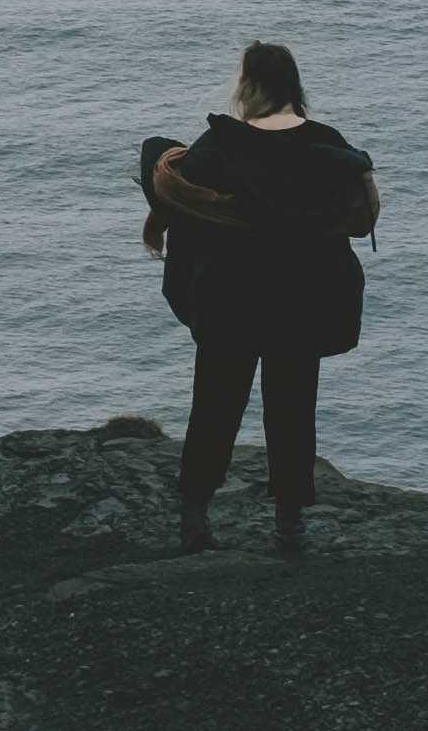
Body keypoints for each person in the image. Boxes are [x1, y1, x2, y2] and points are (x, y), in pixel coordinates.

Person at [139, 40, 376, 556]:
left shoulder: (219, 146)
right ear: (294, 87)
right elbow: (353, 216)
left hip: (231, 301)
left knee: (216, 407)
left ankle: (195, 517)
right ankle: (289, 525)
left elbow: (170, 190)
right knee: (292, 409)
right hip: (301, 302)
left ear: (247, 86)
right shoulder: (330, 146)